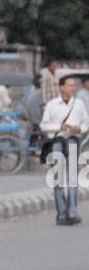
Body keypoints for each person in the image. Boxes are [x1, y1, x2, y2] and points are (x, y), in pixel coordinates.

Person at [40, 74, 89, 225]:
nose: (72, 88)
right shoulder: (52, 105)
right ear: (61, 87)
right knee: (58, 180)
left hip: (73, 140)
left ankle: (72, 211)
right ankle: (61, 213)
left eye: (74, 85)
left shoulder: (79, 104)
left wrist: (79, 128)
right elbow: (44, 125)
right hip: (57, 141)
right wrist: (58, 127)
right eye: (69, 85)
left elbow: (86, 122)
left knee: (73, 179)